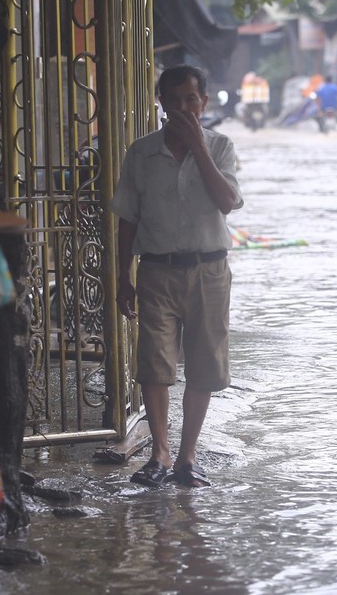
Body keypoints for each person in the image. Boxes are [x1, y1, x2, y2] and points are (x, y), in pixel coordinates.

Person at [110, 64, 243, 488]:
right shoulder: (142, 152)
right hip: (156, 270)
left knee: (204, 365)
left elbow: (228, 201)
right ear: (162, 104)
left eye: (192, 99)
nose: (184, 107)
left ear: (204, 103)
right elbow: (127, 219)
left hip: (209, 270)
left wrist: (198, 148)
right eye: (175, 100)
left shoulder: (220, 147)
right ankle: (160, 454)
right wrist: (122, 277)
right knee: (154, 364)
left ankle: (187, 457)